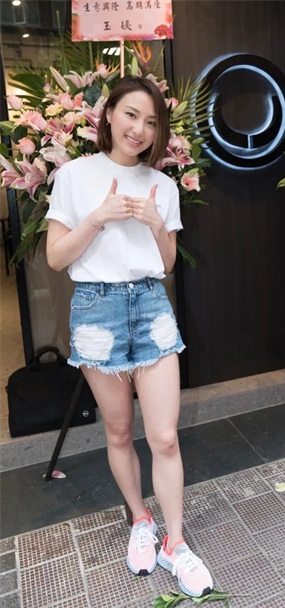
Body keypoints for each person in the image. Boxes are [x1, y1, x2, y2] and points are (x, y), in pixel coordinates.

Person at [45, 76, 214, 597]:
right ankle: (141, 519)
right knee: (119, 431)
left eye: (151, 122)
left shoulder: (163, 185)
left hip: (150, 305)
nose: (139, 129)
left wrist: (156, 225)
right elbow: (56, 257)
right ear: (109, 115)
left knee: (164, 436)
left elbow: (167, 263)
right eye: (131, 115)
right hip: (96, 309)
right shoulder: (74, 176)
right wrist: (98, 217)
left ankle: (175, 543)